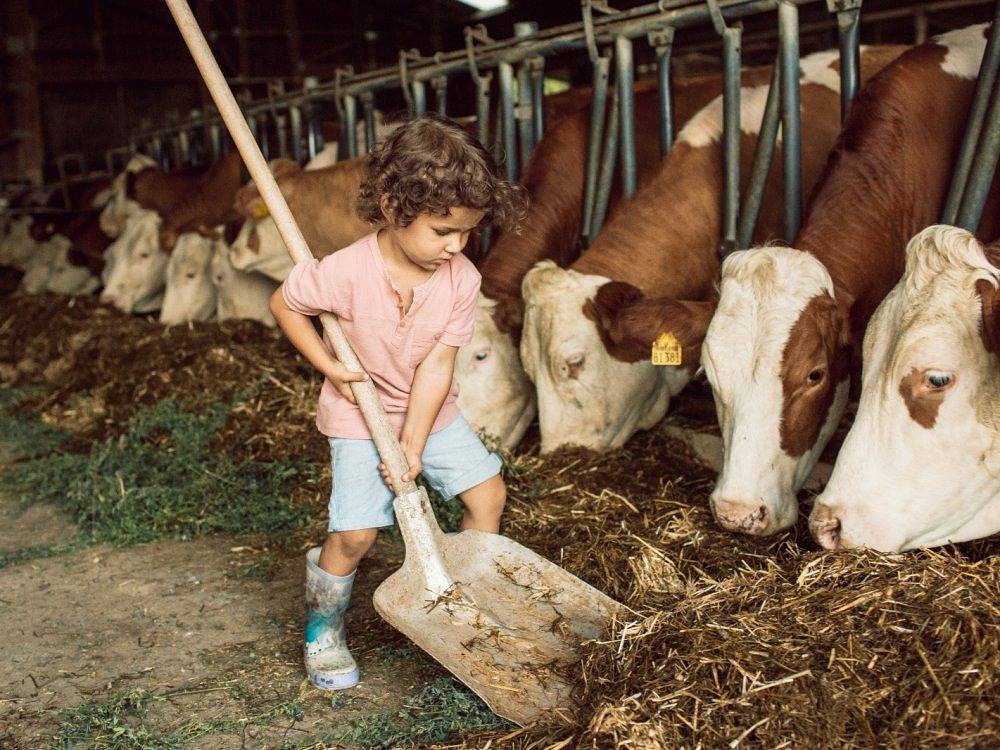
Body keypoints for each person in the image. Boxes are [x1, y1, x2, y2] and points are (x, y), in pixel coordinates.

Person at [269, 114, 527, 690]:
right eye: (442, 231)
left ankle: (469, 599)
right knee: (356, 535)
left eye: (468, 233)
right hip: (357, 415)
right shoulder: (342, 272)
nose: (456, 246)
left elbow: (439, 366)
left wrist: (412, 443)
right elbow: (286, 304)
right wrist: (329, 365)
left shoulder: (462, 279)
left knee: (488, 493)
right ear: (393, 206)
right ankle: (324, 628)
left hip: (433, 411)